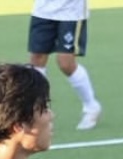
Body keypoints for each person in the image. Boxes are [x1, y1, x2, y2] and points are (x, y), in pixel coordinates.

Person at [27, 0, 102, 130]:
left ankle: (91, 106)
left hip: (71, 13)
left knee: (65, 63)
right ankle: (39, 112)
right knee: (36, 59)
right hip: (42, 11)